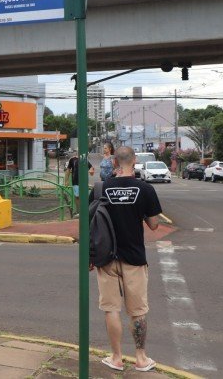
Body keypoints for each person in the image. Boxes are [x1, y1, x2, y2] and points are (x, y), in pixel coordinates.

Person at [92, 146, 161, 372]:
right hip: (134, 257)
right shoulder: (146, 189)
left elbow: (92, 224)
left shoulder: (101, 188)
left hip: (106, 257)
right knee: (138, 311)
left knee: (111, 308)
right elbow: (153, 225)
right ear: (135, 161)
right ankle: (141, 358)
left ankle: (116, 357)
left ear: (114, 163)